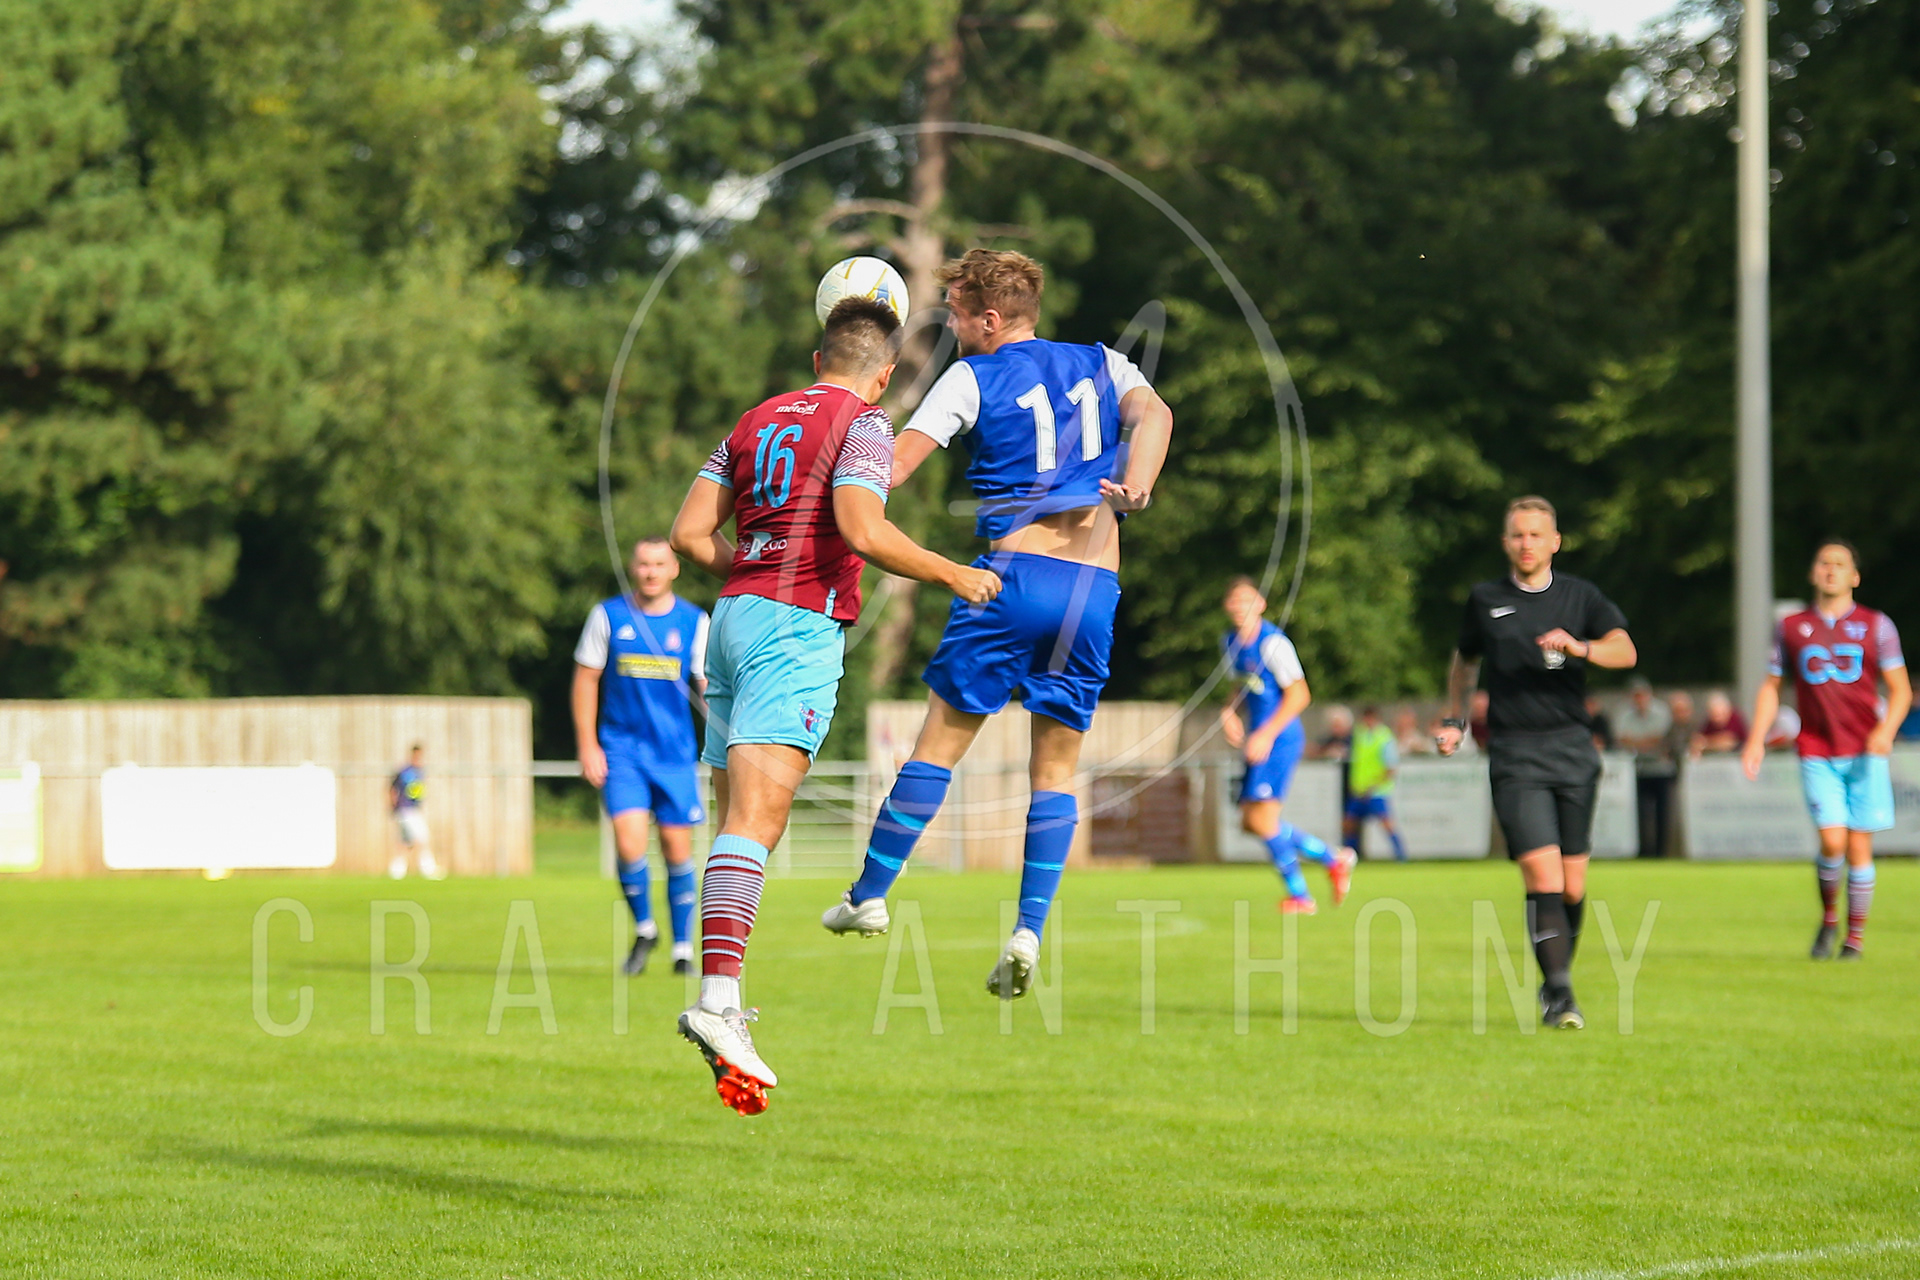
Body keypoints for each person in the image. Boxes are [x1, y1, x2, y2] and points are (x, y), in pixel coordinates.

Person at [668, 298, 1001, 1113]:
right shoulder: (865, 423)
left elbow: (688, 536)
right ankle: (716, 1002)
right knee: (757, 821)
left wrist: (756, 571)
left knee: (738, 822)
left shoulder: (755, 419)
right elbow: (862, 528)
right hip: (793, 628)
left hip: (733, 618)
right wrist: (953, 572)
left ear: (819, 360)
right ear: (882, 377)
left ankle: (723, 995)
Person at [817, 248, 1174, 1001]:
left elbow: (895, 466)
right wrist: (1138, 484)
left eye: (955, 313)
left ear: (988, 318)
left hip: (1011, 582)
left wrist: (827, 460)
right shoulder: (1104, 361)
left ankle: (869, 894)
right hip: (1092, 589)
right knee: (1056, 772)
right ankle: (1028, 930)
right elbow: (1157, 414)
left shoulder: (971, 377)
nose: (949, 325)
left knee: (937, 749)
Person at [1436, 496, 1637, 1030]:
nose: (1526, 543)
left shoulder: (1579, 596)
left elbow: (1625, 650)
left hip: (1573, 750)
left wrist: (1581, 648)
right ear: (1505, 543)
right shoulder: (1486, 599)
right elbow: (1465, 661)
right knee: (1542, 874)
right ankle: (1561, 995)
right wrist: (1455, 719)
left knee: (1571, 886)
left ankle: (1556, 980)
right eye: (1517, 535)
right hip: (1514, 753)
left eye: (1535, 535)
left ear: (1555, 542)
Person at [1742, 540, 1910, 960]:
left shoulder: (1877, 625)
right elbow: (1771, 687)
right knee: (1833, 842)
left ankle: (1854, 940)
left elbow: (1901, 690)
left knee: (1859, 847)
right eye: (1823, 563)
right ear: (1813, 572)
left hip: (1865, 752)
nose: (1831, 570)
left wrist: (1886, 730)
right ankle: (1830, 919)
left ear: (1855, 576)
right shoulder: (1790, 626)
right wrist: (1756, 739)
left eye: (1840, 564)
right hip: (1817, 750)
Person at [573, 538, 710, 978]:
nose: (651, 572)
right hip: (622, 752)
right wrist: (587, 744)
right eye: (644, 564)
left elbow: (706, 685)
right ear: (633, 568)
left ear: (674, 569)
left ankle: (683, 949)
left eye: (659, 564)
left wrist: (727, 732)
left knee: (676, 850)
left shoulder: (694, 621)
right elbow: (585, 679)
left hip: (675, 754)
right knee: (629, 844)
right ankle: (645, 929)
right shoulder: (608, 616)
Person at [1215, 577, 1355, 912]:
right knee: (1250, 822)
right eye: (1234, 600)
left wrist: (1266, 733)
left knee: (1263, 820)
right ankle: (1332, 859)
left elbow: (1300, 695)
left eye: (1247, 599)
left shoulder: (1273, 643)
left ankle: (1302, 895)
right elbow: (1241, 687)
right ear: (1227, 606)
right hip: (1259, 740)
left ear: (1261, 604)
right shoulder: (1230, 643)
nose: (1240, 606)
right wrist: (1229, 712)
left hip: (1279, 739)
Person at [1615, 678, 1675, 859]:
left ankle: (1661, 851)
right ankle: (1643, 851)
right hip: (1638, 769)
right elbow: (1623, 739)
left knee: (1662, 813)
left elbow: (1659, 738)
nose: (1639, 699)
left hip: (1661, 769)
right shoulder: (1625, 713)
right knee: (1639, 814)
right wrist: (1645, 742)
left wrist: (1637, 742)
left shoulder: (1661, 711)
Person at [1346, 706, 1407, 861]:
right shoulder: (1359, 734)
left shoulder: (1385, 737)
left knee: (1386, 823)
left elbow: (1390, 768)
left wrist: (1373, 785)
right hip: (1359, 790)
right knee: (1349, 823)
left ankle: (1401, 856)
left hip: (1377, 791)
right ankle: (1350, 856)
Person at [388, 744, 443, 880]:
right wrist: (393, 805)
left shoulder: (419, 772)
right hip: (406, 810)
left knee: (405, 842)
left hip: (412, 809)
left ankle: (396, 871)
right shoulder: (405, 772)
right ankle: (428, 869)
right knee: (422, 837)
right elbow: (392, 789)